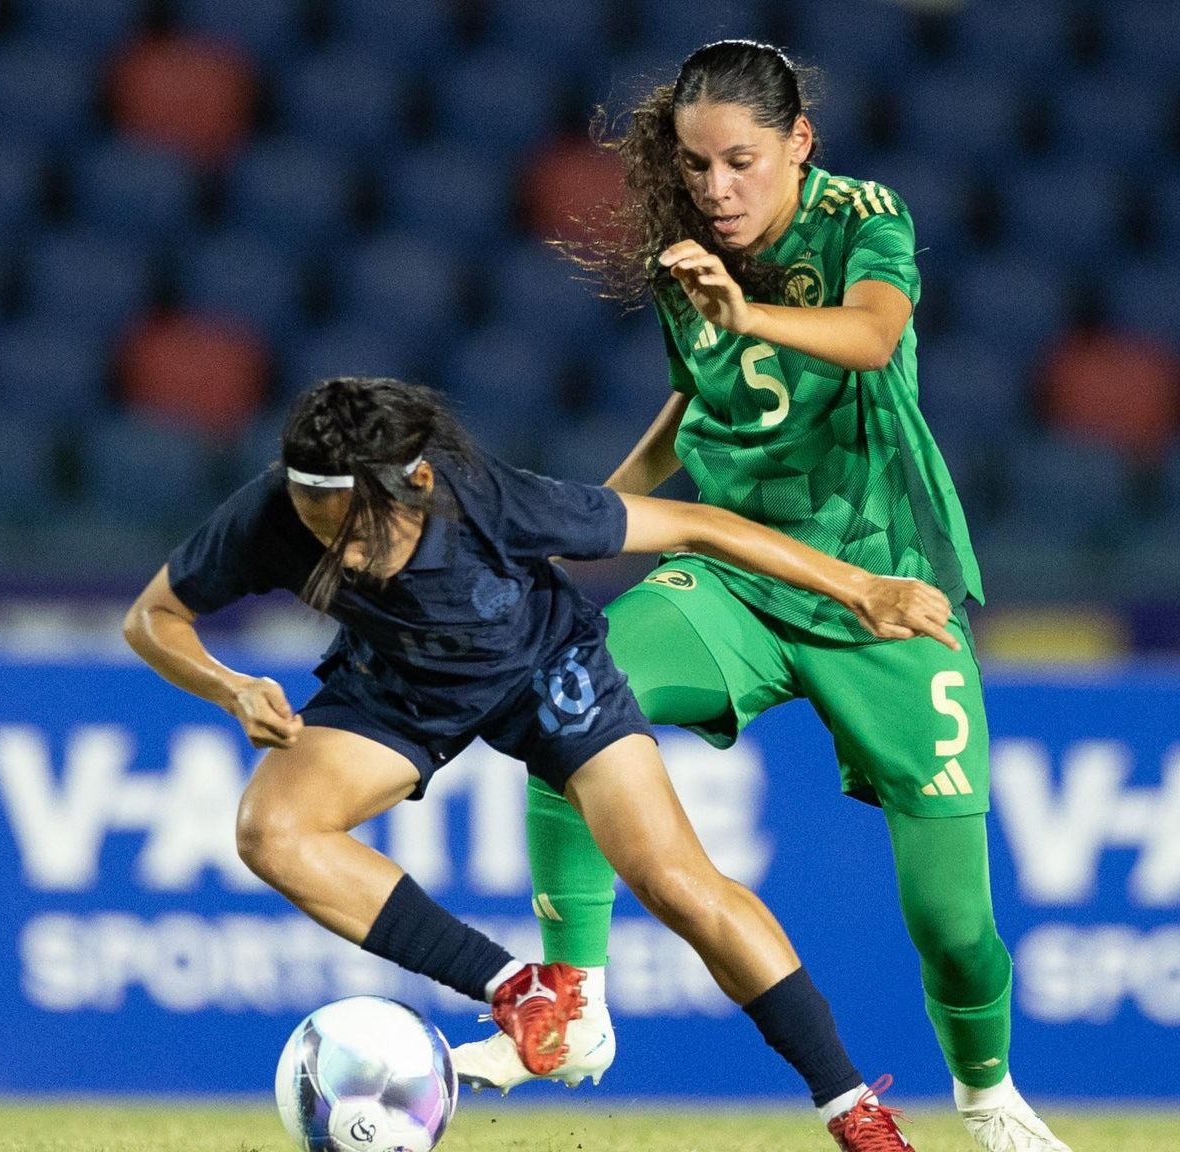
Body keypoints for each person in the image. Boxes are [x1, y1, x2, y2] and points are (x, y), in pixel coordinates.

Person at [447, 40, 1072, 1152]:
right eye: (694, 168)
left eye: (740, 161)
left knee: (951, 922)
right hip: (737, 574)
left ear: (798, 145)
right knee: (563, 697)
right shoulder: (681, 261)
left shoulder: (861, 219)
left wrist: (747, 315)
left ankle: (986, 1099)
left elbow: (874, 337)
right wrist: (588, 523)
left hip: (881, 592)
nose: (716, 190)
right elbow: (696, 408)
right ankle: (574, 1005)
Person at [124, 377, 960, 1150]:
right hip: (400, 691)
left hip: (553, 680)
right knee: (272, 831)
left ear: (413, 486)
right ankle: (518, 986)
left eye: (351, 528)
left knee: (675, 881)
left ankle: (852, 1108)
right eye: (313, 521)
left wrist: (860, 588)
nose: (336, 554)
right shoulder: (277, 508)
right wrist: (229, 687)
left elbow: (701, 524)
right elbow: (153, 619)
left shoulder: (490, 502)